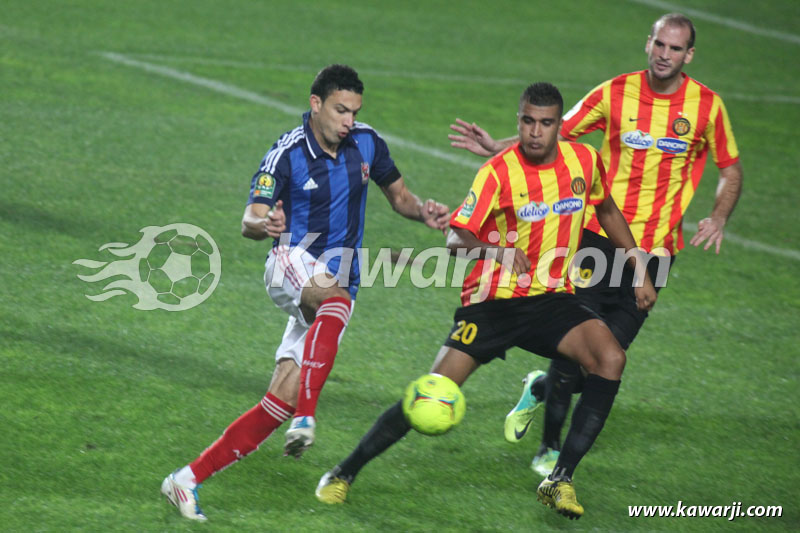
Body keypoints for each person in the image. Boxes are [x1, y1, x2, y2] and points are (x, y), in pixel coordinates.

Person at [316, 82, 657, 520]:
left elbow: (607, 210)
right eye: (528, 122)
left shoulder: (583, 160)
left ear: (559, 126)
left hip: (552, 299)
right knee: (434, 391)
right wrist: (495, 251)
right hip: (493, 302)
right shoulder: (498, 172)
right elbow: (457, 236)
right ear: (518, 122)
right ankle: (343, 472)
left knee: (610, 359)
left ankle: (560, 479)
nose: (536, 132)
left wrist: (639, 270)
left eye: (546, 123)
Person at [448, 13, 742, 476]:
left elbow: (731, 168)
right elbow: (556, 129)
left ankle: (540, 391)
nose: (665, 54)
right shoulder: (615, 92)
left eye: (675, 48)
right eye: (659, 44)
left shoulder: (707, 107)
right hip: (596, 240)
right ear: (649, 44)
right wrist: (497, 147)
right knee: (575, 348)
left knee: (607, 360)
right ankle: (548, 451)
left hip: (656, 254)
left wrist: (719, 215)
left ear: (689, 55)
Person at [160, 64, 450, 521]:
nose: (348, 121)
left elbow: (399, 196)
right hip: (290, 262)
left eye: (354, 111)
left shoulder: (368, 142)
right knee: (334, 303)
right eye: (340, 110)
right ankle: (307, 418)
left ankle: (185, 480)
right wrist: (264, 224)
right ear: (316, 105)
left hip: (339, 280)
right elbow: (249, 218)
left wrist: (424, 214)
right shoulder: (287, 153)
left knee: (278, 400)